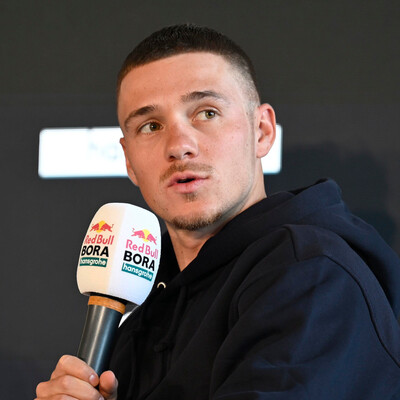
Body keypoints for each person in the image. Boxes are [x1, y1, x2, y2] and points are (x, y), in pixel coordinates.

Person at [36, 24, 400, 400]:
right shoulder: (143, 316)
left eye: (207, 113)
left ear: (262, 131)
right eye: (151, 125)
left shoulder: (311, 273)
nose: (179, 146)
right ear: (129, 161)